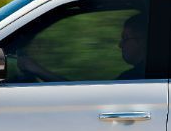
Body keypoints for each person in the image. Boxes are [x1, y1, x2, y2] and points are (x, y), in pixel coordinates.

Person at [15, 10, 147, 82]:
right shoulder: (139, 75)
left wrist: (36, 69)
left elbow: (88, 98)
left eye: (125, 38)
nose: (120, 44)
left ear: (143, 41)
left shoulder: (135, 78)